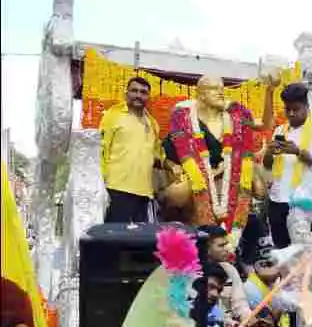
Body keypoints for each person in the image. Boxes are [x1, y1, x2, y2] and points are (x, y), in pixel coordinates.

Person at [165, 75, 268, 237]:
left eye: (222, 88)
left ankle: (234, 242)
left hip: (229, 180)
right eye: (214, 89)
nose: (221, 92)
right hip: (198, 183)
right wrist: (175, 167)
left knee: (258, 188)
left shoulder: (235, 116)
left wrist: (270, 90)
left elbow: (265, 125)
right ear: (201, 95)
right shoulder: (184, 120)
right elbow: (169, 156)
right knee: (178, 194)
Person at [263, 82, 312, 249]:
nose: (291, 114)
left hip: (308, 202)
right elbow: (267, 166)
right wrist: (269, 152)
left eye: (296, 109)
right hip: (278, 201)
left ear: (306, 106)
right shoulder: (280, 130)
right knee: (280, 253)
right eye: (288, 109)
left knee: (306, 257)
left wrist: (298, 152)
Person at [100, 77, 162, 224]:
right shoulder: (113, 115)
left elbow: (156, 155)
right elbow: (101, 149)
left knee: (139, 240)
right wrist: (100, 182)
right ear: (126, 93)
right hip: (116, 189)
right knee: (115, 237)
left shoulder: (152, 123)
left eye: (143, 92)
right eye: (134, 91)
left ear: (148, 97)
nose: (138, 95)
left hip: (145, 193)